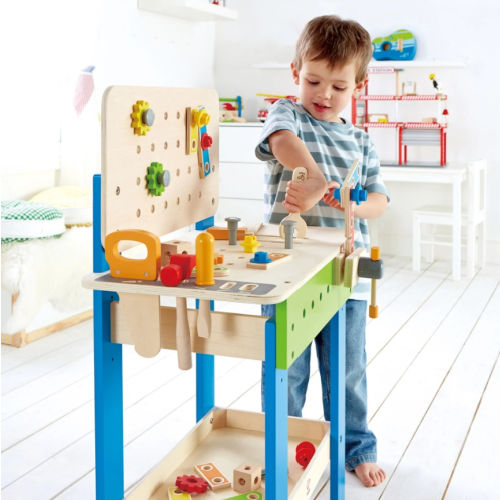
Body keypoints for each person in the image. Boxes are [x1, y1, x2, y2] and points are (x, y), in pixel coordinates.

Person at [255, 15, 389, 488]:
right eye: (313, 81)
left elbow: (379, 200)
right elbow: (281, 142)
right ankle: (279, 445)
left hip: (344, 274)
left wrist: (351, 202)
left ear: (359, 85)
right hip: (288, 271)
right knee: (286, 369)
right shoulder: (287, 115)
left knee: (347, 371)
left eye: (338, 86)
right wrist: (313, 178)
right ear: (296, 72)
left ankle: (356, 447)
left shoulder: (361, 140)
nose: (324, 94)